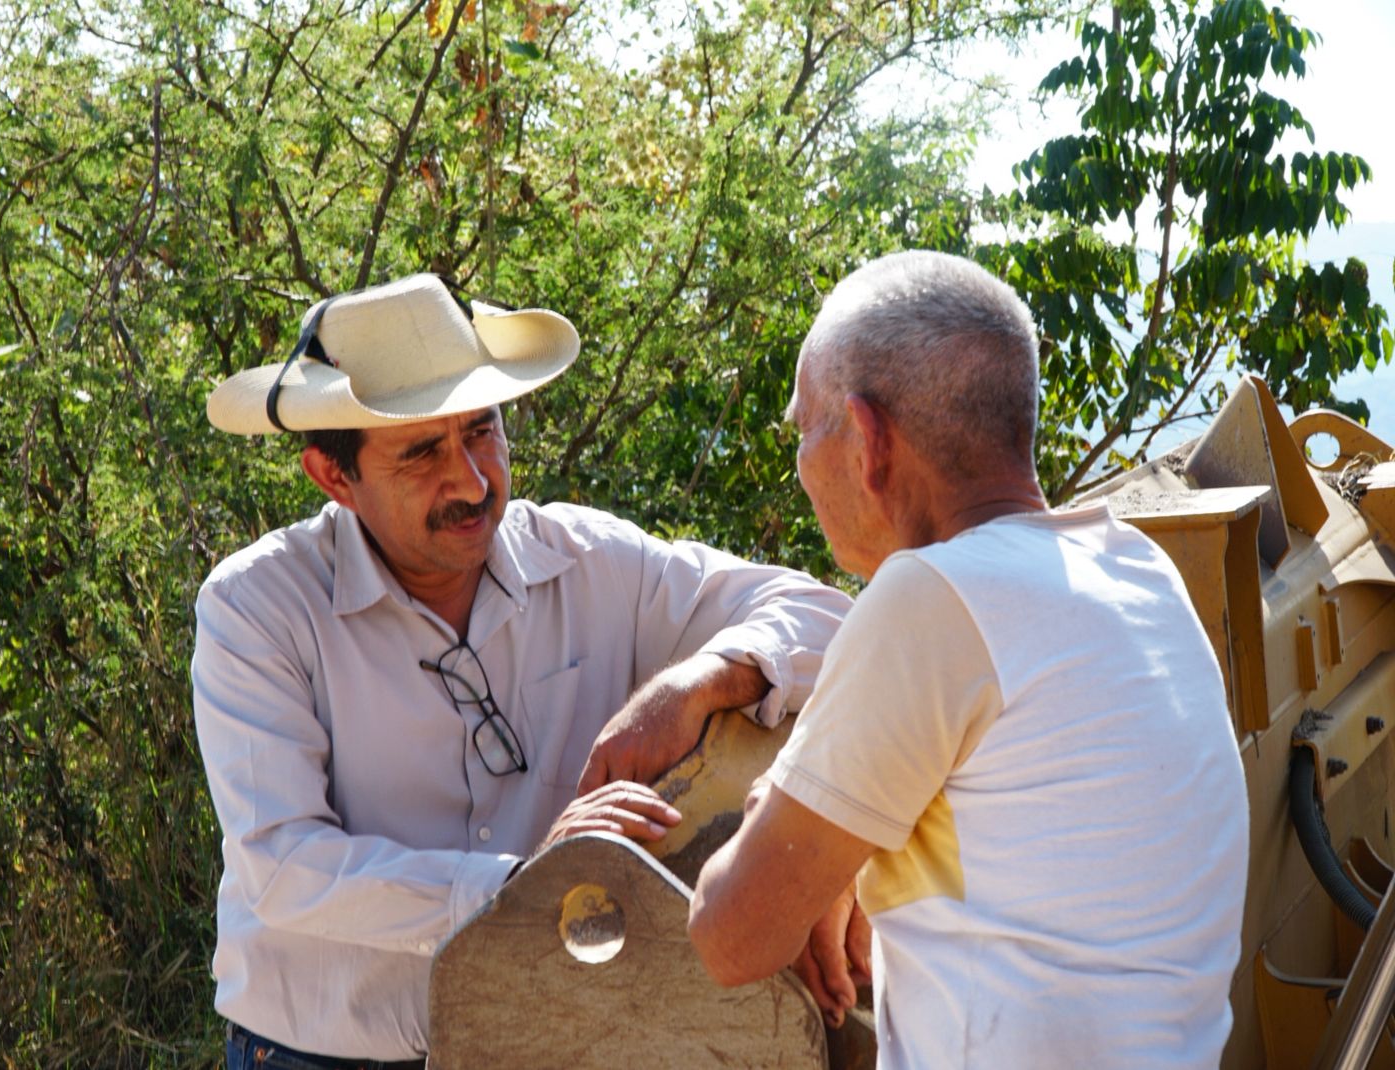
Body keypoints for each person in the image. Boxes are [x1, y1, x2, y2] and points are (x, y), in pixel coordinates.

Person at [193, 273, 851, 1068]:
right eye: (421, 453)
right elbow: (284, 867)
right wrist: (527, 886)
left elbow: (824, 617)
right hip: (321, 1055)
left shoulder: (589, 560)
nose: (472, 481)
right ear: (335, 477)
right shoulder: (257, 606)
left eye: (481, 431)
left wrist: (701, 683)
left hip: (550, 1047)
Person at [688, 251, 1249, 1068]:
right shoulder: (1135, 567)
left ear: (868, 441)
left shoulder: (930, 598)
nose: (801, 466)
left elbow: (731, 938)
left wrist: (777, 798)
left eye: (805, 430)